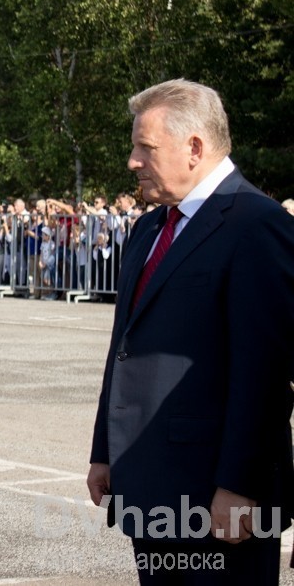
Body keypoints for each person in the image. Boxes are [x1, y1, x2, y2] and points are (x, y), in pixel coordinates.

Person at [86, 79, 294, 584]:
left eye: (145, 147)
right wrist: (104, 451)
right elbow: (125, 347)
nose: (133, 160)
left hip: (218, 497)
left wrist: (240, 486)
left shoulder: (256, 225)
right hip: (153, 484)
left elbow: (264, 372)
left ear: (194, 148)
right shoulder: (150, 228)